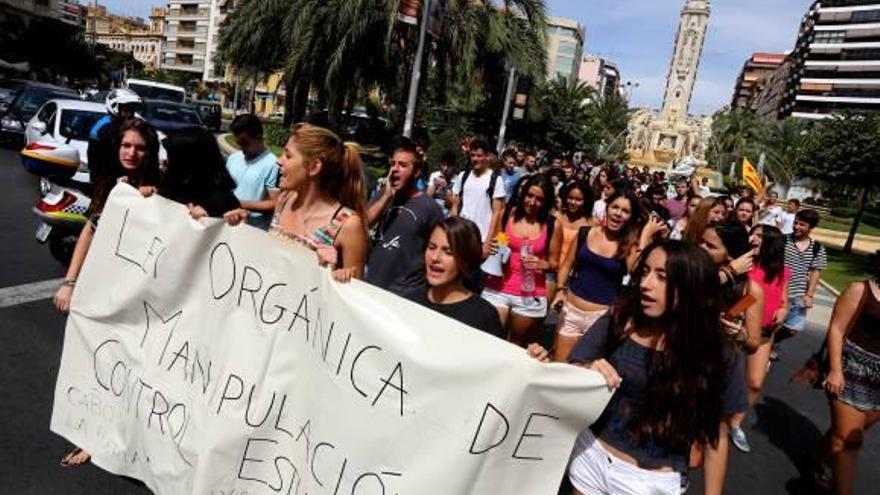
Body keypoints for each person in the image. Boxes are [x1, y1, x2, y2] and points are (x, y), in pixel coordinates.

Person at [567, 240, 747, 495]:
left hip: (651, 483)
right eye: (644, 272)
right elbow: (573, 366)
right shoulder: (619, 319)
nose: (645, 284)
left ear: (691, 287)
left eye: (662, 277)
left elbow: (716, 432)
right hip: (590, 455)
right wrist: (589, 368)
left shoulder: (720, 354)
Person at [56, 118, 162, 467]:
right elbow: (89, 230)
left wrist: (151, 202)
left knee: (131, 371)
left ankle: (119, 441)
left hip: (137, 302)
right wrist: (69, 282)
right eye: (126, 145)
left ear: (150, 153)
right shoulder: (109, 183)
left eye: (140, 147)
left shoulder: (160, 189)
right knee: (97, 364)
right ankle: (93, 437)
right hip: (101, 293)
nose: (131, 153)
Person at [230, 123, 367, 282]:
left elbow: (354, 295)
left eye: (288, 156)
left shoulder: (347, 224)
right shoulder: (284, 200)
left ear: (314, 167)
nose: (279, 161)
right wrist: (242, 228)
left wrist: (335, 273)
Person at [401, 217, 550, 361]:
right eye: (431, 247)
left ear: (466, 259)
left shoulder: (483, 317)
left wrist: (533, 360)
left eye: (448, 252)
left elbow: (499, 368)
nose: (435, 258)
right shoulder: (408, 301)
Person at [552, 190, 644, 362]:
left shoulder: (630, 246)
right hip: (571, 312)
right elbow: (566, 265)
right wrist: (559, 290)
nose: (618, 213)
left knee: (583, 374)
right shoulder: (585, 233)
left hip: (601, 320)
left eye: (625, 211)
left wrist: (642, 236)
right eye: (615, 207)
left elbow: (638, 277)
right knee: (560, 368)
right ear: (606, 208)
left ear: (631, 217)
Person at [700, 221, 765, 453]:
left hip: (720, 367)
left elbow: (753, 343)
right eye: (701, 241)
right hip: (684, 358)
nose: (701, 248)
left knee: (714, 433)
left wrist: (739, 334)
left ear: (730, 254)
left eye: (710, 245)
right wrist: (727, 273)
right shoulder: (693, 271)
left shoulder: (750, 290)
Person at [729, 224, 790, 453]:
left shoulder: (782, 271)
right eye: (752, 234)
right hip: (736, 330)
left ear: (772, 243)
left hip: (765, 334)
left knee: (755, 383)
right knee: (724, 378)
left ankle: (735, 423)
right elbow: (743, 297)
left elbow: (785, 301)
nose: (753, 239)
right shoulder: (743, 263)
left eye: (760, 236)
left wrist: (783, 311)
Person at [481, 175, 561, 347]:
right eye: (529, 196)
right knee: (490, 339)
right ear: (523, 194)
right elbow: (498, 241)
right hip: (498, 287)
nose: (532, 202)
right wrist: (496, 247)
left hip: (529, 293)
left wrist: (542, 264)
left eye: (539, 199)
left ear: (547, 201)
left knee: (517, 345)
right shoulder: (507, 214)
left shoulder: (552, 224)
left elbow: (555, 263)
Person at [823, 277, 880, 495]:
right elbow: (837, 329)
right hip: (851, 369)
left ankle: (816, 458)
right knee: (849, 441)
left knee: (844, 434)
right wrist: (836, 370)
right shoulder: (861, 289)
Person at [365, 137, 443, 291]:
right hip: (371, 283)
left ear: (417, 172)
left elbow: (437, 252)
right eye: (393, 163)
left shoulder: (430, 208)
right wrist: (386, 197)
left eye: (402, 165)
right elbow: (360, 225)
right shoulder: (383, 195)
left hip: (404, 293)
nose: (394, 169)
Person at [159, 127, 240, 218]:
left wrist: (209, 213)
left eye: (172, 156)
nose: (166, 160)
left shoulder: (222, 201)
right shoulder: (171, 186)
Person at [450, 139, 506, 257]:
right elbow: (455, 206)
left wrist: (487, 243)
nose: (475, 159)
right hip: (461, 236)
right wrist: (452, 232)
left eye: (479, 155)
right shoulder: (463, 176)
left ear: (487, 156)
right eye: (473, 155)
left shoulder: (496, 180)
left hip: (481, 240)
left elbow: (497, 214)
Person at [224, 114, 279, 230]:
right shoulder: (233, 158)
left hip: (252, 230)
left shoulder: (273, 164)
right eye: (239, 144)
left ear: (259, 137)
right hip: (227, 224)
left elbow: (276, 204)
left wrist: (239, 203)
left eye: (245, 143)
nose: (241, 149)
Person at [780, 209, 827, 338]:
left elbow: (815, 272)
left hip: (798, 296)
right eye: (795, 223)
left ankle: (771, 346)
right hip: (779, 293)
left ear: (811, 227)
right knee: (773, 325)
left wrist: (809, 295)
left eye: (802, 225)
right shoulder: (782, 240)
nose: (796, 227)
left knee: (792, 329)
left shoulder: (817, 248)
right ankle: (767, 350)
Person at [550, 180, 594, 302]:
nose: (573, 202)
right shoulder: (555, 216)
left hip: (573, 278)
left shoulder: (592, 224)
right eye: (570, 198)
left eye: (578, 200)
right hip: (549, 273)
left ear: (586, 201)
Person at [87, 89, 143, 182]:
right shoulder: (107, 128)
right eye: (126, 110)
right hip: (107, 181)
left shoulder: (118, 124)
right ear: (115, 108)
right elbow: (106, 160)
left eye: (132, 110)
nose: (130, 114)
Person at [426, 150, 457, 216]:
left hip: (446, 217)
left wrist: (445, 189)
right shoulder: (434, 175)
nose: (445, 168)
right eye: (443, 165)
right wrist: (435, 186)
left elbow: (452, 205)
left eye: (448, 166)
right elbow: (427, 198)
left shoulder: (457, 180)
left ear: (453, 166)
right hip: (432, 214)